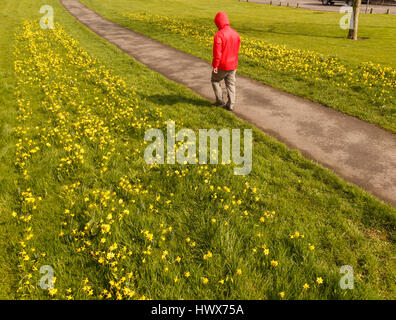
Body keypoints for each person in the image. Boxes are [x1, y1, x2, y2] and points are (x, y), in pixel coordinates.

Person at [211, 11, 241, 111]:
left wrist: (215, 65)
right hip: (233, 65)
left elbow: (217, 54)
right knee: (231, 84)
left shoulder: (218, 35)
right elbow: (237, 49)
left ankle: (220, 100)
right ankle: (230, 104)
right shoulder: (235, 34)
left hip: (222, 65)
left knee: (215, 80)